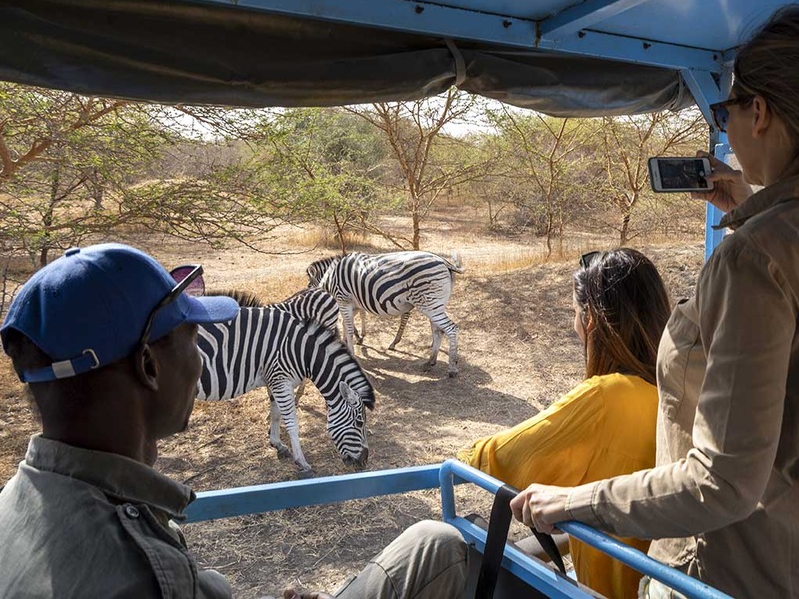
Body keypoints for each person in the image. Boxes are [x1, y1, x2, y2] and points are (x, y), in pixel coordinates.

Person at [508, 7, 799, 599]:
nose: (727, 125)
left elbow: (720, 484)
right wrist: (750, 205)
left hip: (750, 568)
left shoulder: (754, 258)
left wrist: (574, 500)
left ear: (760, 111)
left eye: (725, 110)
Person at [0, 242, 467, 598]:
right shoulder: (138, 572)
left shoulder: (17, 505)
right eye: (194, 339)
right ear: (148, 366)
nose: (202, 361)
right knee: (436, 542)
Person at [458, 248, 671, 598]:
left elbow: (502, 459)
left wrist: (460, 458)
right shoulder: (677, 393)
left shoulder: (606, 396)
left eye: (574, 313)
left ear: (590, 320)